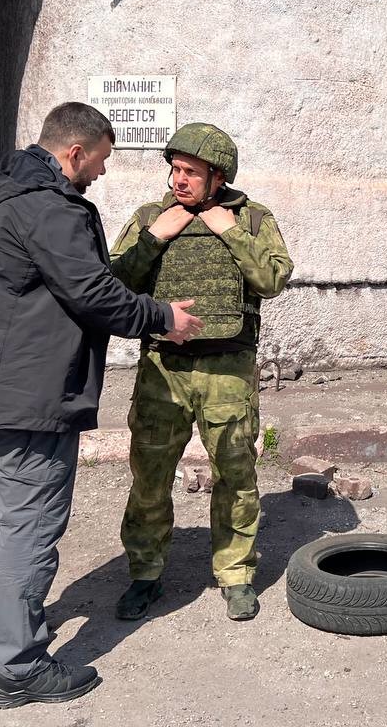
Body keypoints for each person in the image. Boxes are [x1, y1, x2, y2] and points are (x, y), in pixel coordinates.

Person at [0, 102, 203, 710]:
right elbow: (92, 292)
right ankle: (21, 667)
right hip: (28, 394)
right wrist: (166, 319)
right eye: (102, 161)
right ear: (74, 153)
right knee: (29, 523)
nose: (102, 174)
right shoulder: (48, 207)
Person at [109, 123, 293, 623]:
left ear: (218, 176)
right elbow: (114, 282)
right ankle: (145, 575)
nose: (178, 181)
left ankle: (235, 575)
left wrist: (228, 232)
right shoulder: (152, 216)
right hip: (162, 367)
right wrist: (154, 238)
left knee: (235, 471)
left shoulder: (252, 219)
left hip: (227, 369)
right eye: (174, 169)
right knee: (149, 474)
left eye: (190, 172)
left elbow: (273, 278)